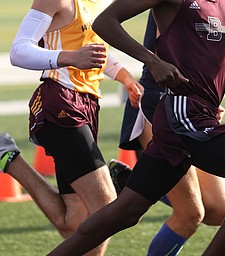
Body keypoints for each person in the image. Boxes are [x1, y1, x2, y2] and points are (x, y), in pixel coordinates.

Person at [48, 0, 225, 255]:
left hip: (193, 118)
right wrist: (152, 61)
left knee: (126, 212)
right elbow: (105, 21)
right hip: (184, 114)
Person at [108, 10, 225, 255]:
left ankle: (133, 183)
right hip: (162, 101)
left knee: (219, 210)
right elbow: (174, 51)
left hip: (196, 110)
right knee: (190, 214)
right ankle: (136, 188)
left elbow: (212, 51)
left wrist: (218, 86)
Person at [9, 0, 143, 255]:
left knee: (74, 222)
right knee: (107, 208)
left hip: (88, 105)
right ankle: (109, 178)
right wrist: (70, 57)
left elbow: (93, 49)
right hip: (60, 104)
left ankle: (10, 159)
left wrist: (123, 76)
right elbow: (18, 51)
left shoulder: (99, 2)